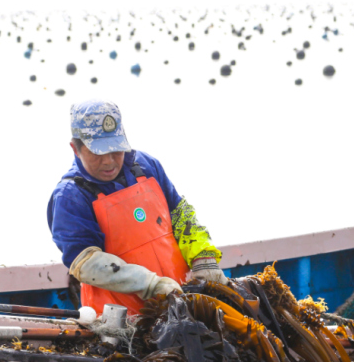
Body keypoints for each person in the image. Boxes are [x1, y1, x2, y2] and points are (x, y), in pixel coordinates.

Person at [47, 99, 226, 315]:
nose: (109, 161)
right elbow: (86, 263)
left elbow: (180, 215)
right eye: (98, 153)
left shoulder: (146, 165)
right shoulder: (70, 196)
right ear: (76, 148)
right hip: (121, 321)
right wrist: (150, 285)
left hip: (181, 300)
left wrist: (203, 257)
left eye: (116, 149)